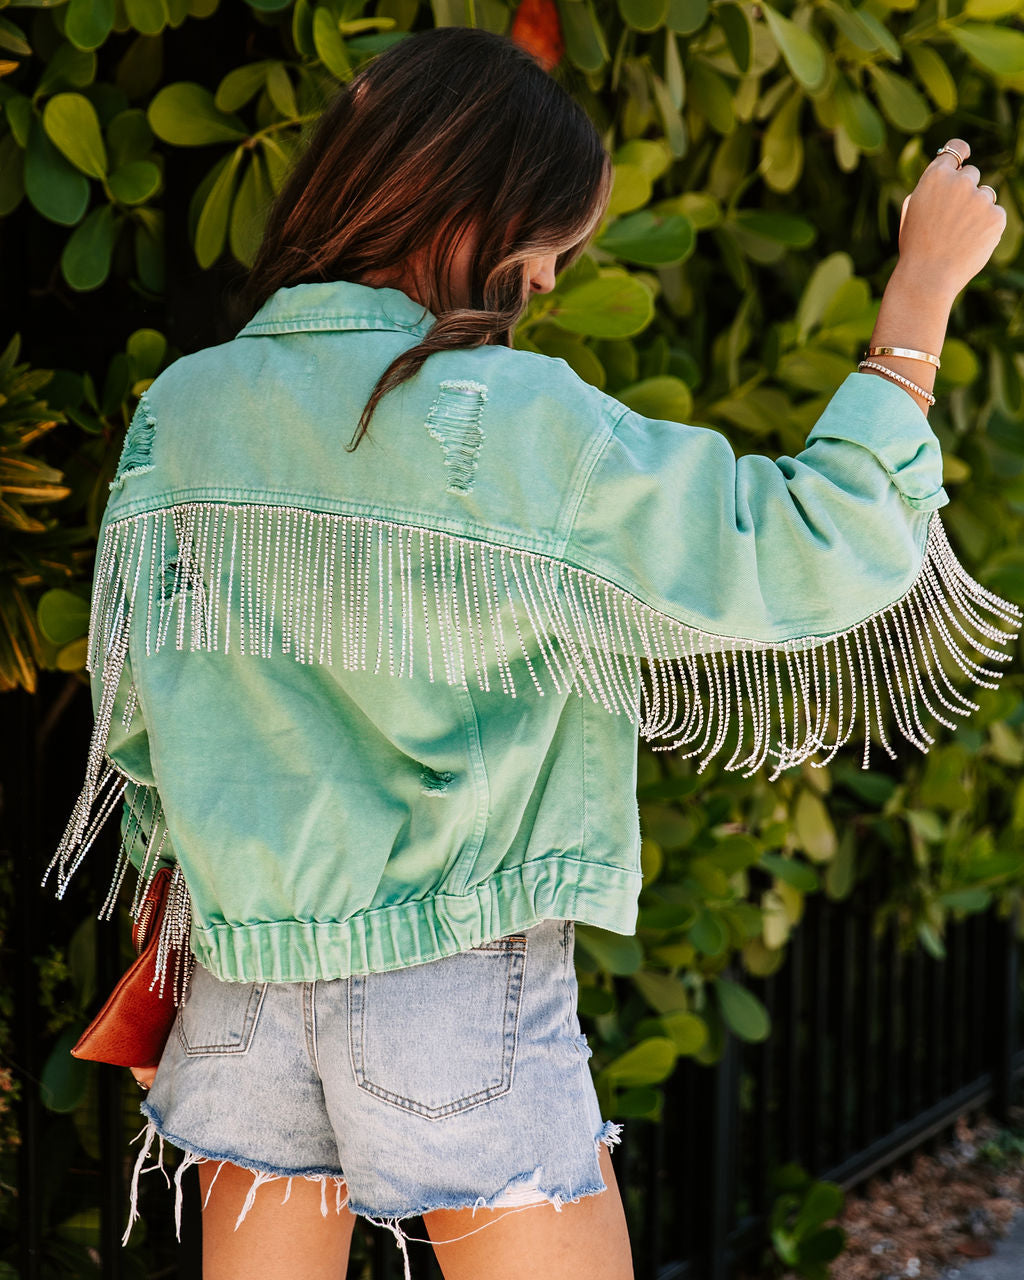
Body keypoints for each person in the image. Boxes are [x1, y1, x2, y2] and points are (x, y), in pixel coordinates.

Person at [45, 24, 1018, 1280]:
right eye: (547, 243)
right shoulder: (509, 420)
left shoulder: (183, 408)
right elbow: (809, 544)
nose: (549, 282)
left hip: (237, 975)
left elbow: (140, 725)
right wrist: (916, 303)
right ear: (476, 211)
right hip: (451, 976)